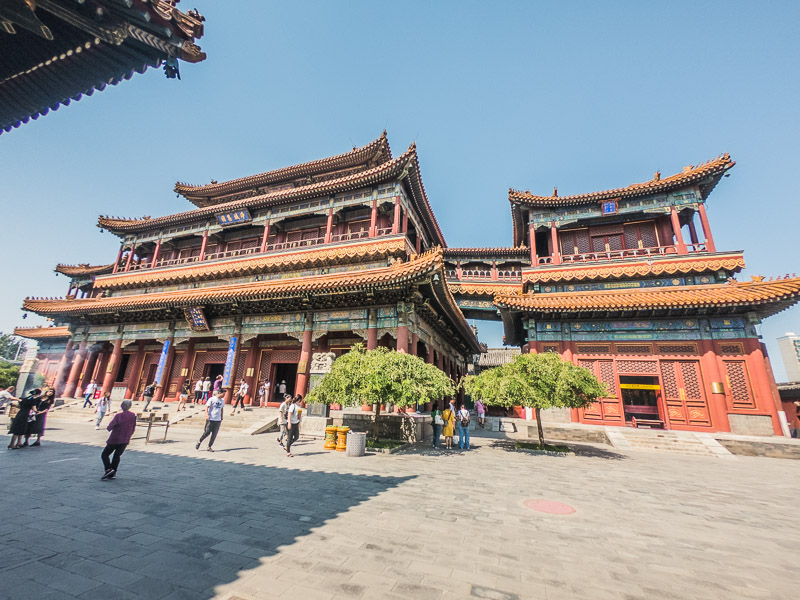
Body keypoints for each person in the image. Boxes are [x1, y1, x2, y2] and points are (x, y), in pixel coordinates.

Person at [101, 399, 136, 480]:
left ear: (122, 406)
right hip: (125, 439)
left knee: (105, 454)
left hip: (115, 438)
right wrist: (129, 434)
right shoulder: (132, 416)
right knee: (117, 456)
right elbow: (133, 427)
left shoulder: (119, 416)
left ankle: (109, 469)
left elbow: (110, 426)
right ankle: (113, 474)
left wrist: (109, 428)